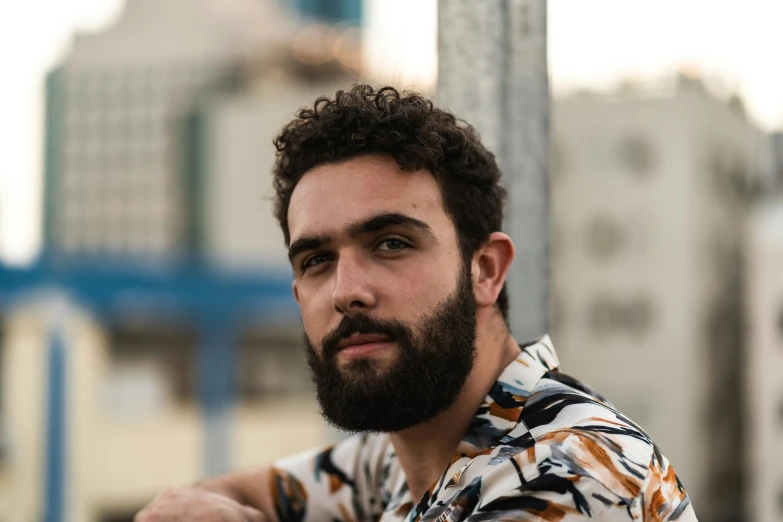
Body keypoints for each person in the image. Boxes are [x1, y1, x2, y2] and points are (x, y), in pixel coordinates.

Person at [135, 85, 697, 522]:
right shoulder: (397, 461)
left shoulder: (570, 472)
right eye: (316, 260)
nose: (346, 290)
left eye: (391, 244)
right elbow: (210, 498)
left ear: (485, 269)